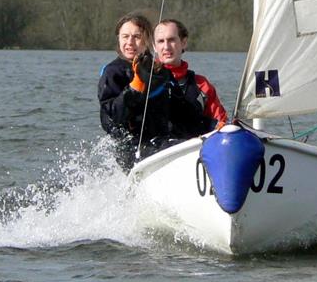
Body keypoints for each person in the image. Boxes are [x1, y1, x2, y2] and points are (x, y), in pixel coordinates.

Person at [97, 13, 174, 171]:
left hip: (163, 143)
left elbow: (181, 109)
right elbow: (110, 120)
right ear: (118, 39)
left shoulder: (160, 71)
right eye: (125, 36)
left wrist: (215, 126)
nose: (130, 42)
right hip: (132, 151)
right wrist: (135, 87)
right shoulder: (112, 73)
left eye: (136, 37)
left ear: (148, 40)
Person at [153, 18, 227, 138]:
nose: (166, 46)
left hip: (192, 150)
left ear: (184, 42)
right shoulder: (144, 81)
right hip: (156, 153)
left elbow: (221, 125)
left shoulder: (202, 85)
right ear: (154, 46)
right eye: (161, 41)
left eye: (171, 40)